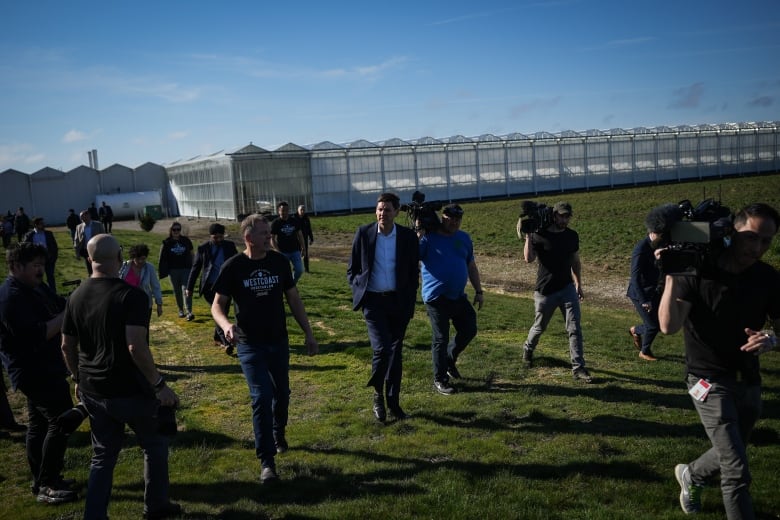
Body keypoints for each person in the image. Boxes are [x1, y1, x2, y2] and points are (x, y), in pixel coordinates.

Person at [659, 203, 780, 519]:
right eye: (751, 237)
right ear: (731, 231)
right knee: (737, 470)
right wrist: (673, 275)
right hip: (707, 381)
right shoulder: (698, 270)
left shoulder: (767, 278)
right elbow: (668, 326)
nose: (757, 248)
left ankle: (692, 475)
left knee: (733, 449)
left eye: (766, 241)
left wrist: (772, 339)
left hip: (748, 379)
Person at [61, 234, 182, 520]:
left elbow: (67, 345)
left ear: (89, 260)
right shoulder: (132, 295)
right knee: (154, 445)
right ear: (119, 259)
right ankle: (156, 507)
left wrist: (77, 377)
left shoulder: (75, 296)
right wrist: (159, 385)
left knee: (103, 456)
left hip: (93, 389)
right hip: (130, 389)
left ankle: (94, 515)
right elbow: (135, 346)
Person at [211, 215, 318, 484]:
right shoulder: (233, 266)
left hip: (278, 341)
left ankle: (278, 431)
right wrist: (226, 326)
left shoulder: (279, 262)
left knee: (282, 393)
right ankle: (267, 462)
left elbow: (293, 298)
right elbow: (217, 305)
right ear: (249, 238)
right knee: (261, 397)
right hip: (249, 343)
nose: (270, 238)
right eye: (264, 234)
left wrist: (308, 332)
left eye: (269, 233)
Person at [0, 242, 77, 504]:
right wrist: (68, 314)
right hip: (33, 371)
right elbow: (39, 334)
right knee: (62, 419)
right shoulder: (11, 297)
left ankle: (42, 479)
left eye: (42, 265)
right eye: (35, 266)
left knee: (39, 424)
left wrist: (75, 300)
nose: (41, 271)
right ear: (15, 266)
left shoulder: (35, 286)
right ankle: (47, 485)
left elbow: (58, 303)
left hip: (47, 366)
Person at [348, 192, 419, 422]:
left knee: (395, 355)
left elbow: (412, 272)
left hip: (398, 303)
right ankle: (378, 395)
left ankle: (394, 404)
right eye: (379, 209)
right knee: (383, 349)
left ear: (396, 212)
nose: (382, 213)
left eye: (387, 209)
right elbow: (353, 269)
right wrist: (359, 289)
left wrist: (409, 298)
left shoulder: (408, 237)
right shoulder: (364, 233)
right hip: (374, 302)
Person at [520, 201, 592, 383]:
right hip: (545, 291)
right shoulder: (539, 235)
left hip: (567, 288)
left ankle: (578, 368)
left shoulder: (571, 236)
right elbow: (528, 259)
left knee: (574, 328)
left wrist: (578, 284)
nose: (564, 219)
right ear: (554, 215)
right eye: (561, 215)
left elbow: (575, 261)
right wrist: (528, 236)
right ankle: (528, 349)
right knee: (539, 327)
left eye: (567, 216)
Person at [417, 204, 484, 395]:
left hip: (457, 296)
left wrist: (479, 291)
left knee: (469, 328)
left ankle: (449, 359)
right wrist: (419, 232)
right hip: (436, 297)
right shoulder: (429, 238)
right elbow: (413, 255)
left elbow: (471, 266)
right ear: (442, 217)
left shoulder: (463, 238)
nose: (454, 222)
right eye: (450, 217)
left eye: (458, 219)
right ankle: (440, 379)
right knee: (441, 337)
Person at [186, 223, 238, 352]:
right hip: (209, 287)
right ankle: (227, 342)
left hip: (226, 286)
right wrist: (189, 287)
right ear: (210, 236)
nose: (219, 240)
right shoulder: (203, 248)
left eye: (221, 237)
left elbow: (237, 263)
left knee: (223, 312)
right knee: (219, 312)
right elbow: (195, 268)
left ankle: (217, 337)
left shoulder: (230, 246)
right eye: (215, 238)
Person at [626, 224, 664, 361]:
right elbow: (635, 277)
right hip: (640, 293)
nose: (662, 238)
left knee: (660, 323)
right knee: (653, 326)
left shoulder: (660, 245)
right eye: (660, 234)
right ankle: (644, 351)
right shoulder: (641, 248)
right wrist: (643, 300)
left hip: (654, 291)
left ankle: (635, 330)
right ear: (653, 232)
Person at [118, 244, 164, 331]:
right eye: (138, 259)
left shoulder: (149, 268)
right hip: (126, 304)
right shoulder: (124, 266)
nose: (141, 261)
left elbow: (155, 286)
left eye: (143, 258)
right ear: (133, 257)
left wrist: (159, 304)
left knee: (143, 330)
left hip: (144, 305)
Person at [158, 222, 195, 320]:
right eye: (174, 229)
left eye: (178, 229)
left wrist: (194, 266)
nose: (176, 231)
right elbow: (162, 258)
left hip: (186, 269)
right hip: (173, 270)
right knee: (177, 291)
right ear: (171, 230)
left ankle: (189, 312)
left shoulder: (186, 240)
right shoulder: (166, 242)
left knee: (186, 289)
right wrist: (163, 271)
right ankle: (180, 310)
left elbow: (192, 254)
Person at [271, 201, 305, 283]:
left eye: (286, 210)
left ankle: (293, 284)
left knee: (299, 270)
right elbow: (271, 238)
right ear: (279, 211)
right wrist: (277, 251)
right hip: (283, 252)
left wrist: (303, 247)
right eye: (282, 210)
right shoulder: (276, 223)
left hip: (295, 250)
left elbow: (300, 235)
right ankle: (284, 287)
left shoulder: (294, 221)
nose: (284, 212)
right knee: (283, 272)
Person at [23, 217, 59, 292]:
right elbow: (25, 248)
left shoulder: (49, 234)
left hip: (48, 259)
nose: (44, 225)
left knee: (50, 278)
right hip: (35, 261)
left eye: (43, 223)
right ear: (36, 225)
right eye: (41, 224)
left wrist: (53, 258)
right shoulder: (29, 235)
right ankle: (39, 294)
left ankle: (53, 295)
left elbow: (54, 247)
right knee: (36, 278)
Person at [74, 210, 105, 275]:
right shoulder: (79, 227)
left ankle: (99, 275)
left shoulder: (98, 225)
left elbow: (103, 236)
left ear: (88, 216)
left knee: (98, 265)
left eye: (82, 216)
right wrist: (77, 252)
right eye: (81, 217)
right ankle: (91, 278)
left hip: (97, 249)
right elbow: (76, 240)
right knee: (89, 266)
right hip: (85, 250)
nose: (81, 218)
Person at [294, 204, 314, 273]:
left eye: (303, 210)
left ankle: (307, 269)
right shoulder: (294, 218)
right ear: (298, 210)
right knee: (297, 254)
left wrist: (311, 238)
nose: (302, 211)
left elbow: (309, 229)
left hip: (304, 238)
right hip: (296, 239)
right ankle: (296, 267)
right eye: (301, 210)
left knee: (305, 253)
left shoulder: (306, 218)